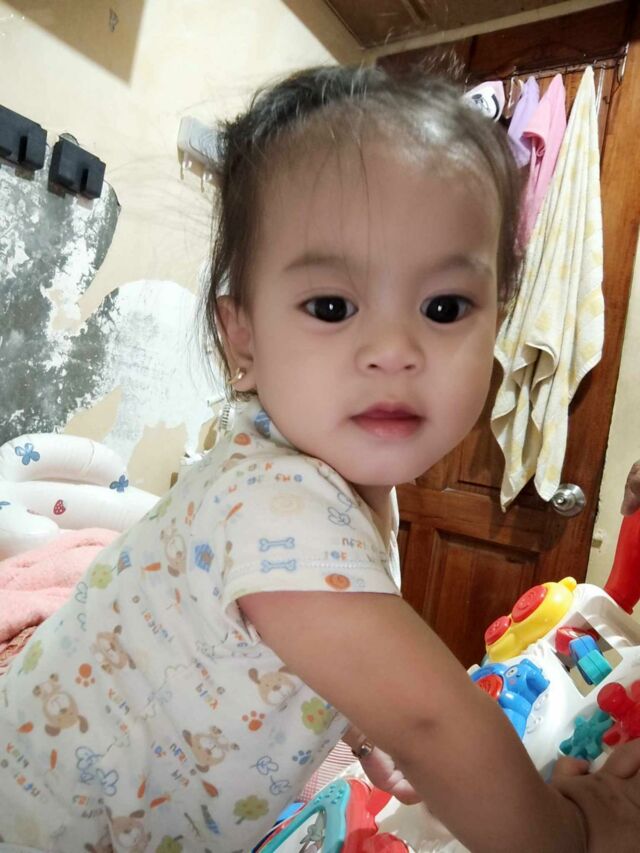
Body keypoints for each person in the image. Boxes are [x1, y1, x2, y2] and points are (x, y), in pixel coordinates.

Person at [1, 64, 639, 853]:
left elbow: (325, 660)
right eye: (332, 306)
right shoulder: (276, 501)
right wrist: (576, 829)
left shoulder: (343, 486)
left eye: (443, 306)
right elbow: (433, 717)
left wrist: (369, 733)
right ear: (243, 338)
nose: (393, 349)